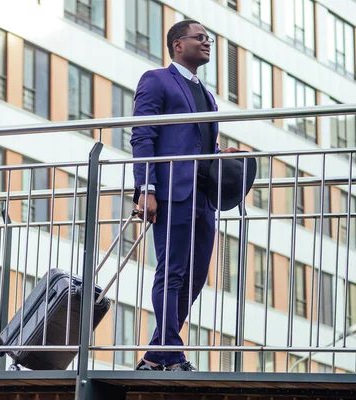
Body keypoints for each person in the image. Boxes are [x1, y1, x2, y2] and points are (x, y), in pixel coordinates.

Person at [131, 20, 239, 372]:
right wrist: (146, 188)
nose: (207, 43)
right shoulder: (156, 80)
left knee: (194, 278)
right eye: (200, 38)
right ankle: (173, 356)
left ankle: (154, 355)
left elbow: (195, 139)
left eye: (208, 38)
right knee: (172, 272)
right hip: (172, 193)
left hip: (205, 197)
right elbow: (143, 135)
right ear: (178, 45)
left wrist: (218, 153)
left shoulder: (205, 93)